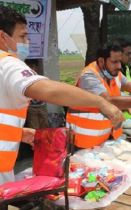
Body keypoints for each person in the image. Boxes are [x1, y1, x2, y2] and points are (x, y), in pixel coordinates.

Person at [0, 6, 122, 185]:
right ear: (3, 37)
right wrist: (100, 102)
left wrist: (18, 133)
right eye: (22, 36)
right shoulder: (7, 64)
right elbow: (47, 89)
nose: (26, 42)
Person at [66, 43, 131, 149]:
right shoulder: (89, 77)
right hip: (83, 144)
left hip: (105, 142)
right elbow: (108, 101)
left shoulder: (115, 74)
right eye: (114, 62)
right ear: (101, 61)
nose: (119, 66)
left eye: (120, 61)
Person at [113, 38, 131, 119]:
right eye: (128, 54)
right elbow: (113, 96)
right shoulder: (112, 73)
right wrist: (128, 108)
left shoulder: (126, 69)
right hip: (121, 119)